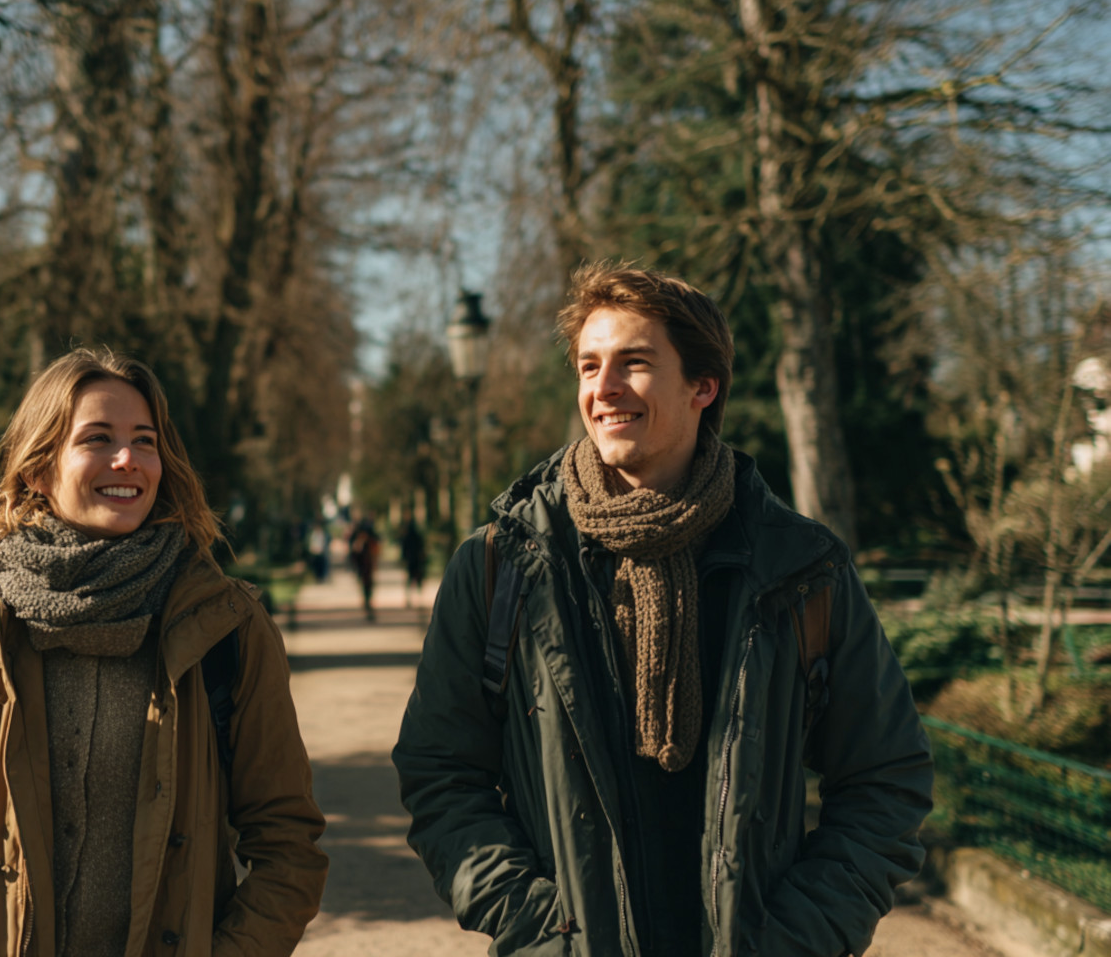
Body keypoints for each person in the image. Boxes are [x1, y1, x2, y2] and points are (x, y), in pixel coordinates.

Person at [392, 264, 932, 957]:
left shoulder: (800, 569)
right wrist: (541, 931)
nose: (603, 389)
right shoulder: (503, 564)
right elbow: (441, 773)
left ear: (703, 386)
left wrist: (796, 938)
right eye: (589, 366)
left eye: (634, 363)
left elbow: (886, 778)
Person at [0, 349, 327, 957]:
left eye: (144, 440)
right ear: (38, 468)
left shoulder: (227, 626)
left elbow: (289, 842)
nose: (127, 458)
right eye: (97, 438)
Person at [348, 514, 382, 621]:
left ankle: (368, 602)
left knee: (368, 586)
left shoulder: (367, 541)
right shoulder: (359, 541)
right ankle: (367, 602)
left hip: (367, 567)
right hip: (363, 568)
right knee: (366, 585)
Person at [398, 511, 427, 608]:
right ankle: (416, 599)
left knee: (412, 579)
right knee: (416, 579)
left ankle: (412, 599)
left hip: (412, 558)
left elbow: (404, 547)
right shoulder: (415, 533)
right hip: (415, 558)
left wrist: (403, 558)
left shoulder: (407, 534)